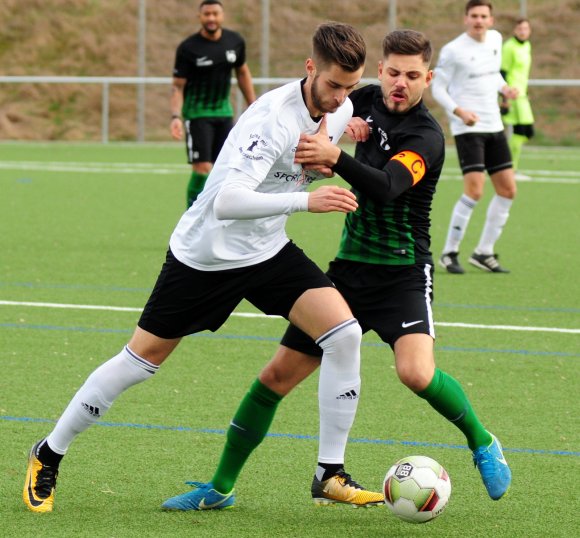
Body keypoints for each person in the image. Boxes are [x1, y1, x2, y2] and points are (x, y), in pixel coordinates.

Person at [160, 29, 511, 513]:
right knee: (276, 377)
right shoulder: (358, 97)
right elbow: (316, 116)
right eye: (392, 73)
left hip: (401, 274)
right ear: (379, 71)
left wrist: (336, 156)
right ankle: (219, 487)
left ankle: (481, 441)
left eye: (412, 76)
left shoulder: (425, 137)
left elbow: (387, 186)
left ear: (428, 78)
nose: (399, 84)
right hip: (347, 271)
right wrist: (338, 134)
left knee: (415, 373)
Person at [23, 22, 367, 514]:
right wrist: (306, 202)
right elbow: (226, 201)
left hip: (267, 250)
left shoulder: (344, 107)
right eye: (333, 85)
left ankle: (328, 473)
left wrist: (332, 152)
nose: (340, 98)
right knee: (138, 363)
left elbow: (334, 136)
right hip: (205, 255)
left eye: (349, 88)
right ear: (310, 68)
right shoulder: (268, 118)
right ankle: (49, 451)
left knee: (344, 334)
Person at [432, 0, 519, 274]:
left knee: (508, 190)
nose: (479, 20)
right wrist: (459, 110)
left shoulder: (495, 39)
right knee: (475, 191)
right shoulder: (453, 50)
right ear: (465, 19)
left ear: (491, 20)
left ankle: (484, 252)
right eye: (474, 16)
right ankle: (449, 252)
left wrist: (505, 89)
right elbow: (438, 88)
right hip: (468, 128)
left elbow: (492, 75)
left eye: (484, 16)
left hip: (494, 125)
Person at [170, 0, 256, 207]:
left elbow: (242, 71)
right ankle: (191, 218)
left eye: (215, 14)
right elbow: (177, 87)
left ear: (222, 16)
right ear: (200, 17)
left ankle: (214, 215)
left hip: (224, 115)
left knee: (225, 168)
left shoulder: (234, 41)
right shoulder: (188, 48)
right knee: (202, 169)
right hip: (197, 115)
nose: (211, 18)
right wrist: (175, 117)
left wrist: (253, 104)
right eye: (206, 14)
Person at [501, 18, 534, 181]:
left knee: (527, 132)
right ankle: (510, 169)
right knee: (523, 130)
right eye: (520, 29)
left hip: (523, 95)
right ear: (515, 30)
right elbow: (502, 72)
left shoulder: (527, 46)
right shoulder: (509, 47)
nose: (523, 31)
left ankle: (507, 166)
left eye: (525, 29)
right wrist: (504, 97)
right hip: (513, 95)